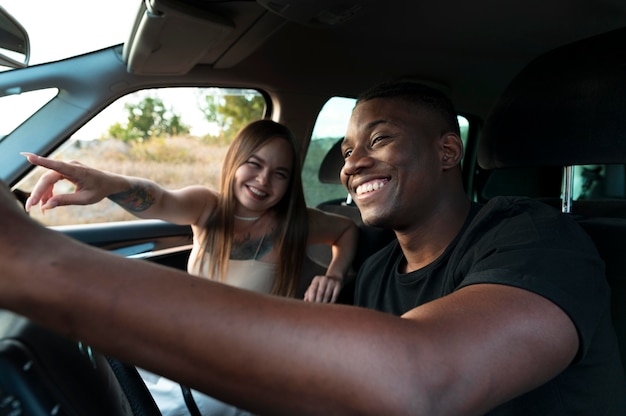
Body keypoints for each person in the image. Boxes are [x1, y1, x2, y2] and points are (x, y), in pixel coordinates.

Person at [1, 80, 624, 415]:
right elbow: (157, 196)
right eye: (348, 149)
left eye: (379, 138)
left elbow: (424, 384)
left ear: (446, 151)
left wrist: (39, 264)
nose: (354, 163)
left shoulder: (537, 239)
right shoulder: (381, 272)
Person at [22, 118, 359, 415]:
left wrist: (335, 273)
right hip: (189, 341)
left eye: (279, 173)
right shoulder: (209, 207)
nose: (263, 180)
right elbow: (161, 198)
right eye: (254, 164)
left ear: (289, 183)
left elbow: (346, 231)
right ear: (235, 162)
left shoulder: (295, 224)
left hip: (249, 362)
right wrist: (110, 184)